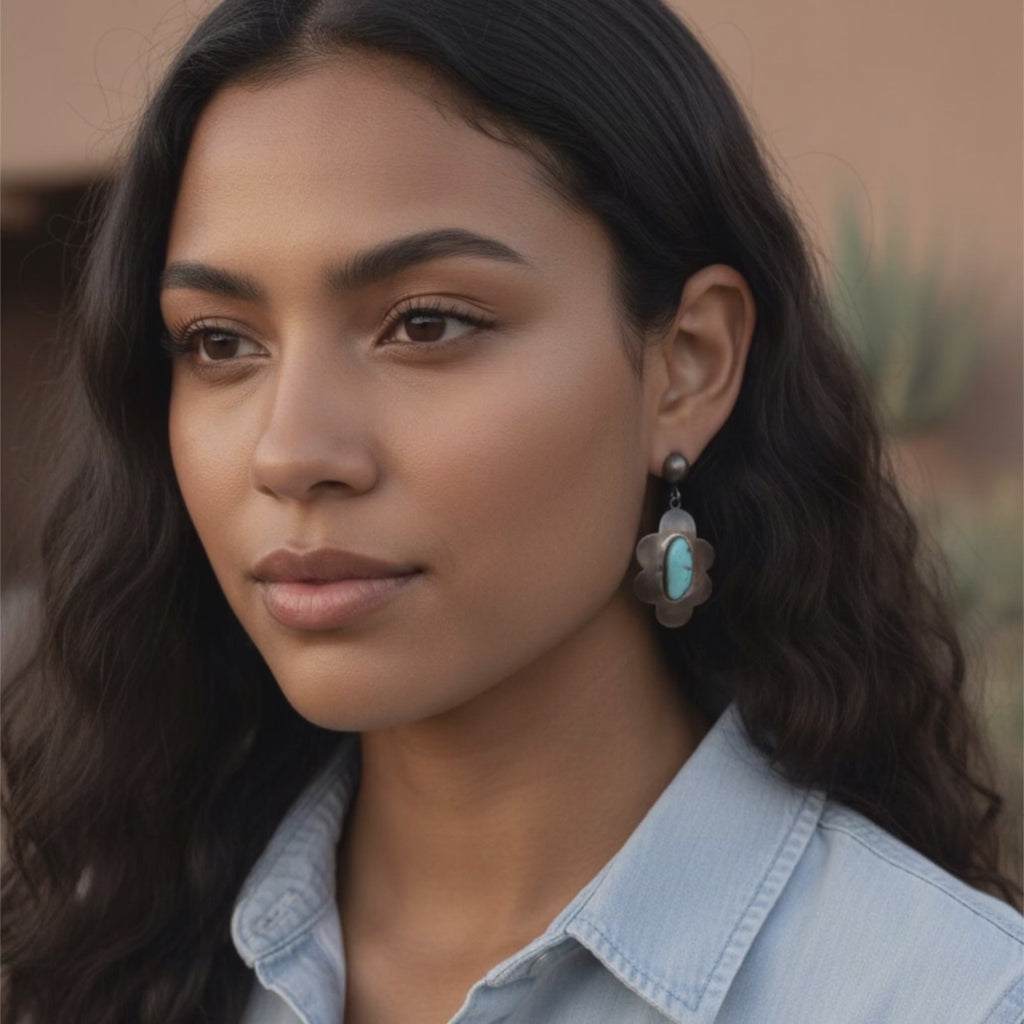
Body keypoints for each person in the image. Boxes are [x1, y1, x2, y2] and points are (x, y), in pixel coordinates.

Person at [3, 0, 1022, 1021]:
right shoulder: (97, 967)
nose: (290, 451)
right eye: (220, 341)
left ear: (689, 365)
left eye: (425, 323)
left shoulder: (947, 997)